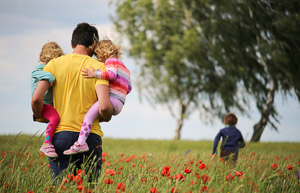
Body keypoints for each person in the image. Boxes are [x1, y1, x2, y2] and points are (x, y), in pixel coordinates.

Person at [31, 22, 113, 181]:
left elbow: (36, 98)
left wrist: (40, 115)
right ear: (94, 45)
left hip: (60, 137)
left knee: (62, 187)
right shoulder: (98, 68)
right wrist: (108, 115)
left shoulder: (53, 65)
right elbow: (103, 107)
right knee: (88, 189)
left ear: (71, 44)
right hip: (90, 138)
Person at [64, 39, 132, 155]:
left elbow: (111, 75)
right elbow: (129, 88)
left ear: (103, 53)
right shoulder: (125, 68)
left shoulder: (111, 61)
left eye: (97, 55)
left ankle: (80, 143)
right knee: (94, 116)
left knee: (88, 117)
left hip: (112, 100)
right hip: (120, 103)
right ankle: (84, 138)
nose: (98, 59)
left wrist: (94, 74)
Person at [31, 42, 63, 158]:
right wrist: (50, 77)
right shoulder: (40, 69)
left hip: (50, 103)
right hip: (44, 104)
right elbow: (35, 74)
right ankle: (47, 143)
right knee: (55, 118)